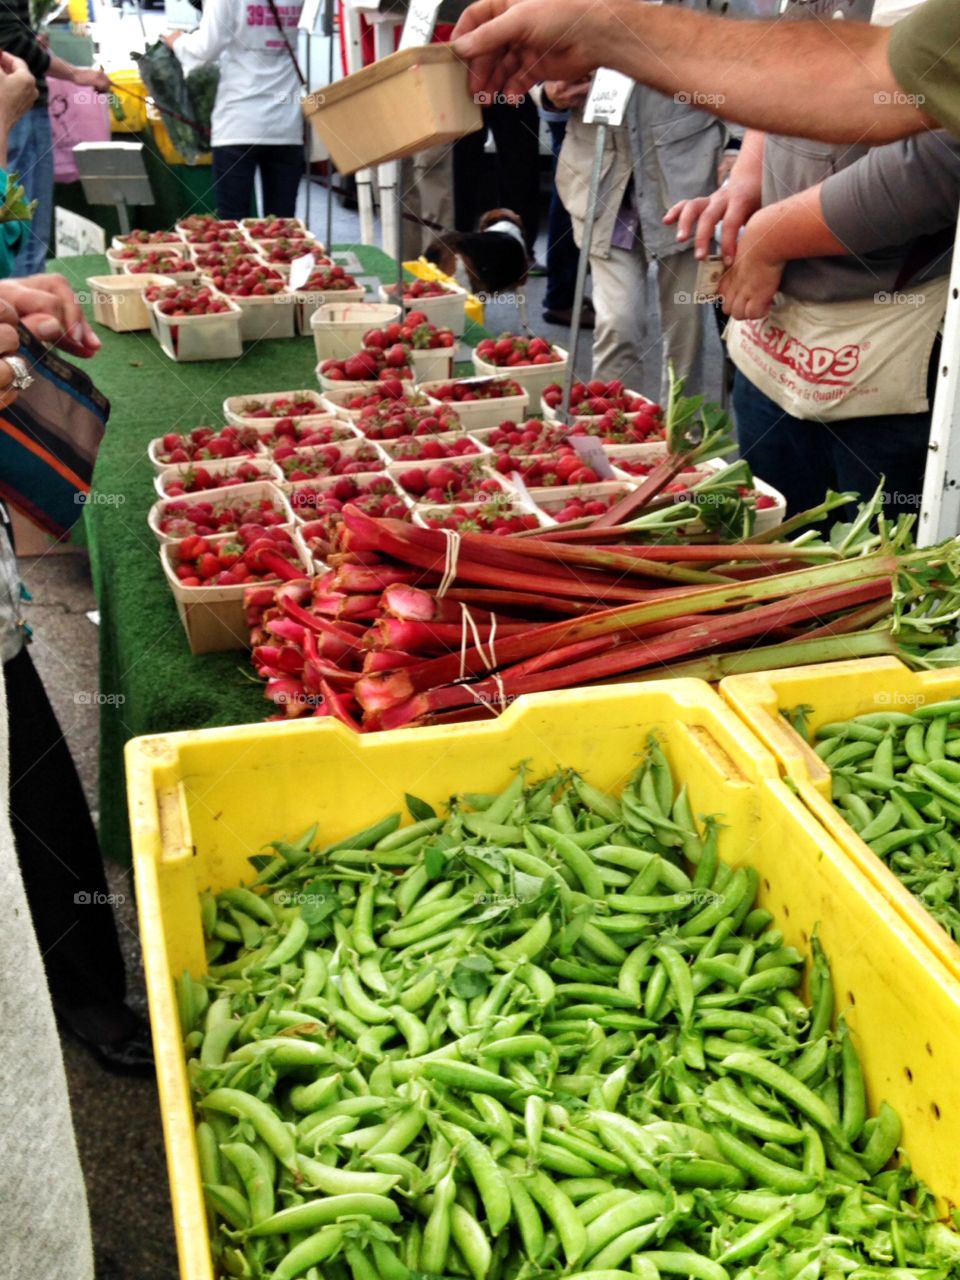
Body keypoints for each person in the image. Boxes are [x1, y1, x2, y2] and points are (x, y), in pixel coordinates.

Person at [450, 0, 956, 145]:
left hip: (682, 175)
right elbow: (871, 77)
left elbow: (870, 82)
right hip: (604, 172)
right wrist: (597, 32)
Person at [552, 79, 724, 401]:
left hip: (686, 178)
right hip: (604, 181)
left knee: (685, 332)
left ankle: (682, 436)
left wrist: (736, 147)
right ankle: (613, 433)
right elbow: (531, 56)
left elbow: (739, 66)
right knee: (618, 323)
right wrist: (546, 92)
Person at [164, 0, 307, 220]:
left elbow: (204, 50)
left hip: (238, 121)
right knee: (282, 226)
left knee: (233, 227)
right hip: (286, 123)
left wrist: (177, 41)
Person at [0, 0, 108, 275]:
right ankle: (22, 308)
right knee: (21, 228)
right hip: (17, 109)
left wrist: (31, 42)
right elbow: (10, 42)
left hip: (17, 108)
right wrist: (75, 74)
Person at [536, 82, 592, 328]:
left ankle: (564, 294)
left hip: (567, 99)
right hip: (572, 101)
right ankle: (561, 299)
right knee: (573, 194)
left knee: (573, 190)